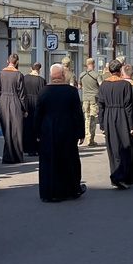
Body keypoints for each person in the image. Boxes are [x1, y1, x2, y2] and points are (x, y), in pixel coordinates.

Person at [36, 64, 86, 202]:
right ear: (63, 75)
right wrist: (81, 133)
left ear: (51, 76)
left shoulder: (43, 91)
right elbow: (78, 114)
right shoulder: (71, 91)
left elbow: (38, 114)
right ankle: (72, 189)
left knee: (49, 162)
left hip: (48, 131)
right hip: (67, 131)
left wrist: (37, 133)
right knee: (69, 161)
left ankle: (49, 192)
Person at [96, 59, 133, 189]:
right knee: (125, 146)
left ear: (109, 70)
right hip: (122, 116)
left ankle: (115, 177)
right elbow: (129, 106)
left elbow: (100, 105)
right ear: (120, 71)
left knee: (113, 148)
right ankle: (124, 177)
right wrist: (132, 126)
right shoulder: (125, 85)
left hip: (108, 115)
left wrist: (102, 123)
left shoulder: (104, 85)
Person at [0, 54, 28, 165]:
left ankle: (7, 156)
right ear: (17, 62)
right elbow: (22, 94)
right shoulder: (18, 75)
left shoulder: (0, 74)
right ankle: (17, 156)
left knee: (6, 130)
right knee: (17, 130)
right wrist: (24, 109)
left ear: (7, 60)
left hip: (3, 101)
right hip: (15, 101)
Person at [22, 62, 47, 157]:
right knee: (37, 126)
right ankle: (37, 148)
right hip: (37, 103)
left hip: (27, 103)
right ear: (39, 69)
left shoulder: (25, 78)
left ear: (31, 68)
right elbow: (44, 94)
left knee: (27, 126)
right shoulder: (41, 80)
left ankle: (28, 148)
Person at [79, 58, 102, 147]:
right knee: (93, 119)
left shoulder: (82, 75)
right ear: (94, 64)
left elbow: (79, 86)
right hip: (94, 99)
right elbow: (101, 85)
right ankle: (91, 139)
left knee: (87, 118)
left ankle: (87, 135)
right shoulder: (96, 75)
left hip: (85, 99)